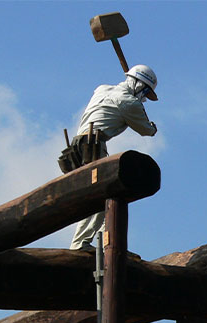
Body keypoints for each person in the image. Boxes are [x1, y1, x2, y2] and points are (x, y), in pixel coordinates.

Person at [61, 65, 159, 250]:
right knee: (102, 196)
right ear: (139, 86)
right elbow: (147, 130)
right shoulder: (129, 103)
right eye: (145, 92)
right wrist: (152, 124)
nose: (144, 98)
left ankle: (109, 243)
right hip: (93, 146)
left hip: (79, 146)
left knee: (107, 196)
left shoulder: (102, 88)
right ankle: (80, 243)